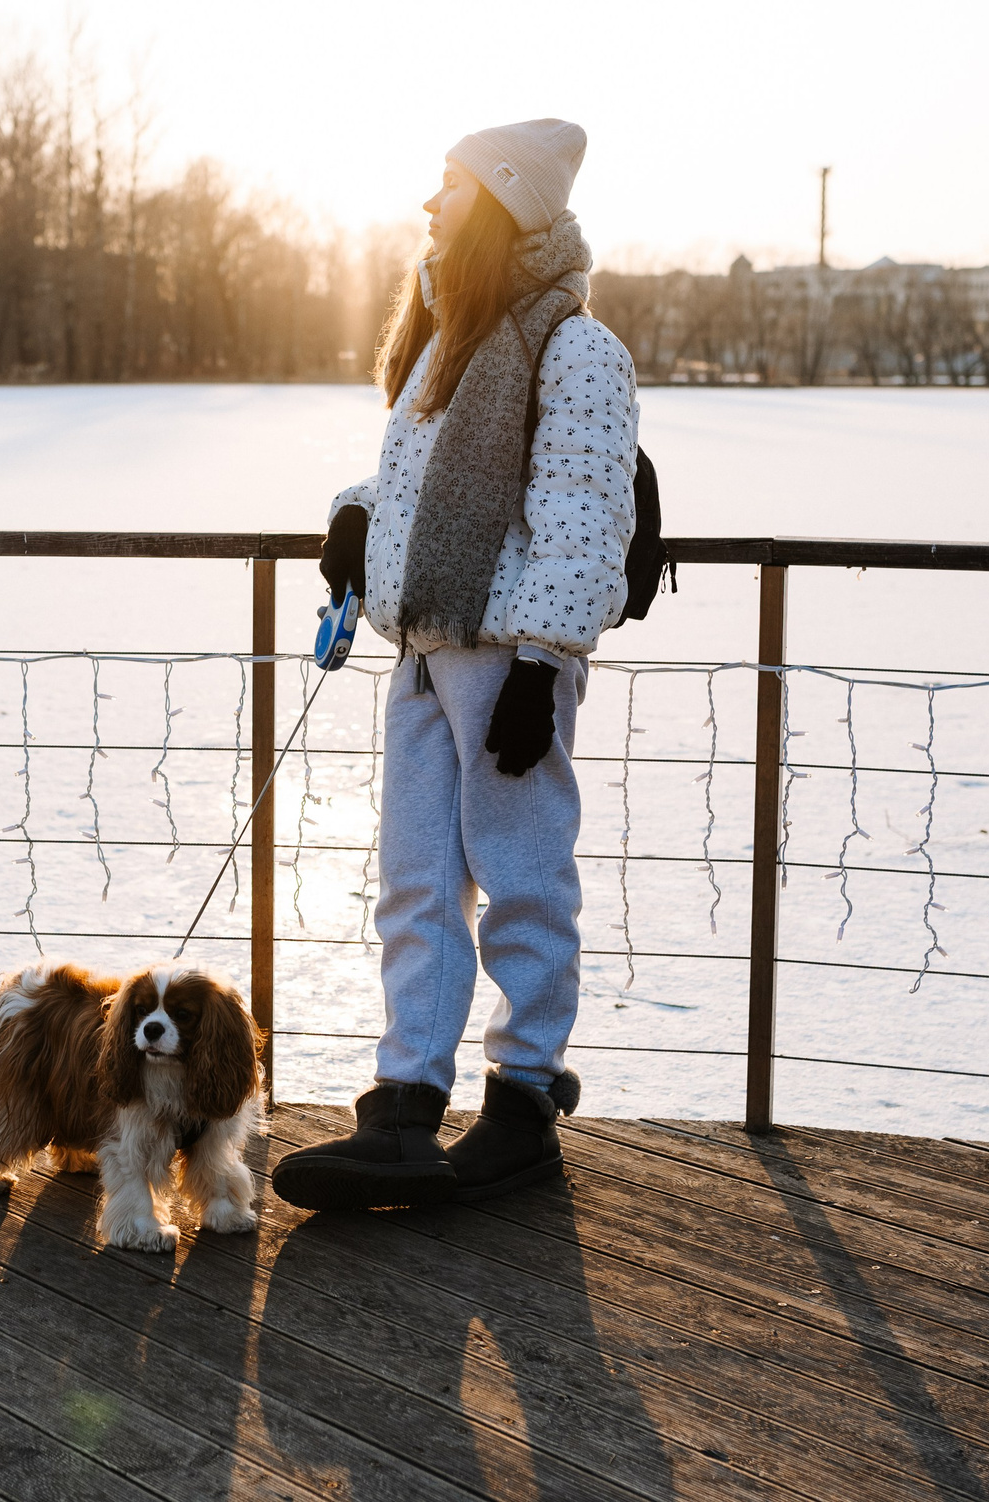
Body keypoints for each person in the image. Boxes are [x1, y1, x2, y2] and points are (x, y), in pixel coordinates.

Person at [274, 119, 638, 1210]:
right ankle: (404, 1100)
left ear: (503, 205)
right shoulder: (449, 338)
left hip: (507, 653)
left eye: (450, 187)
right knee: (417, 880)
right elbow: (414, 485)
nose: (429, 206)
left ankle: (523, 1099)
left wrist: (542, 661)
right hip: (427, 645)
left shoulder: (574, 349)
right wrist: (353, 521)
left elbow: (581, 512)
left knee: (521, 877)